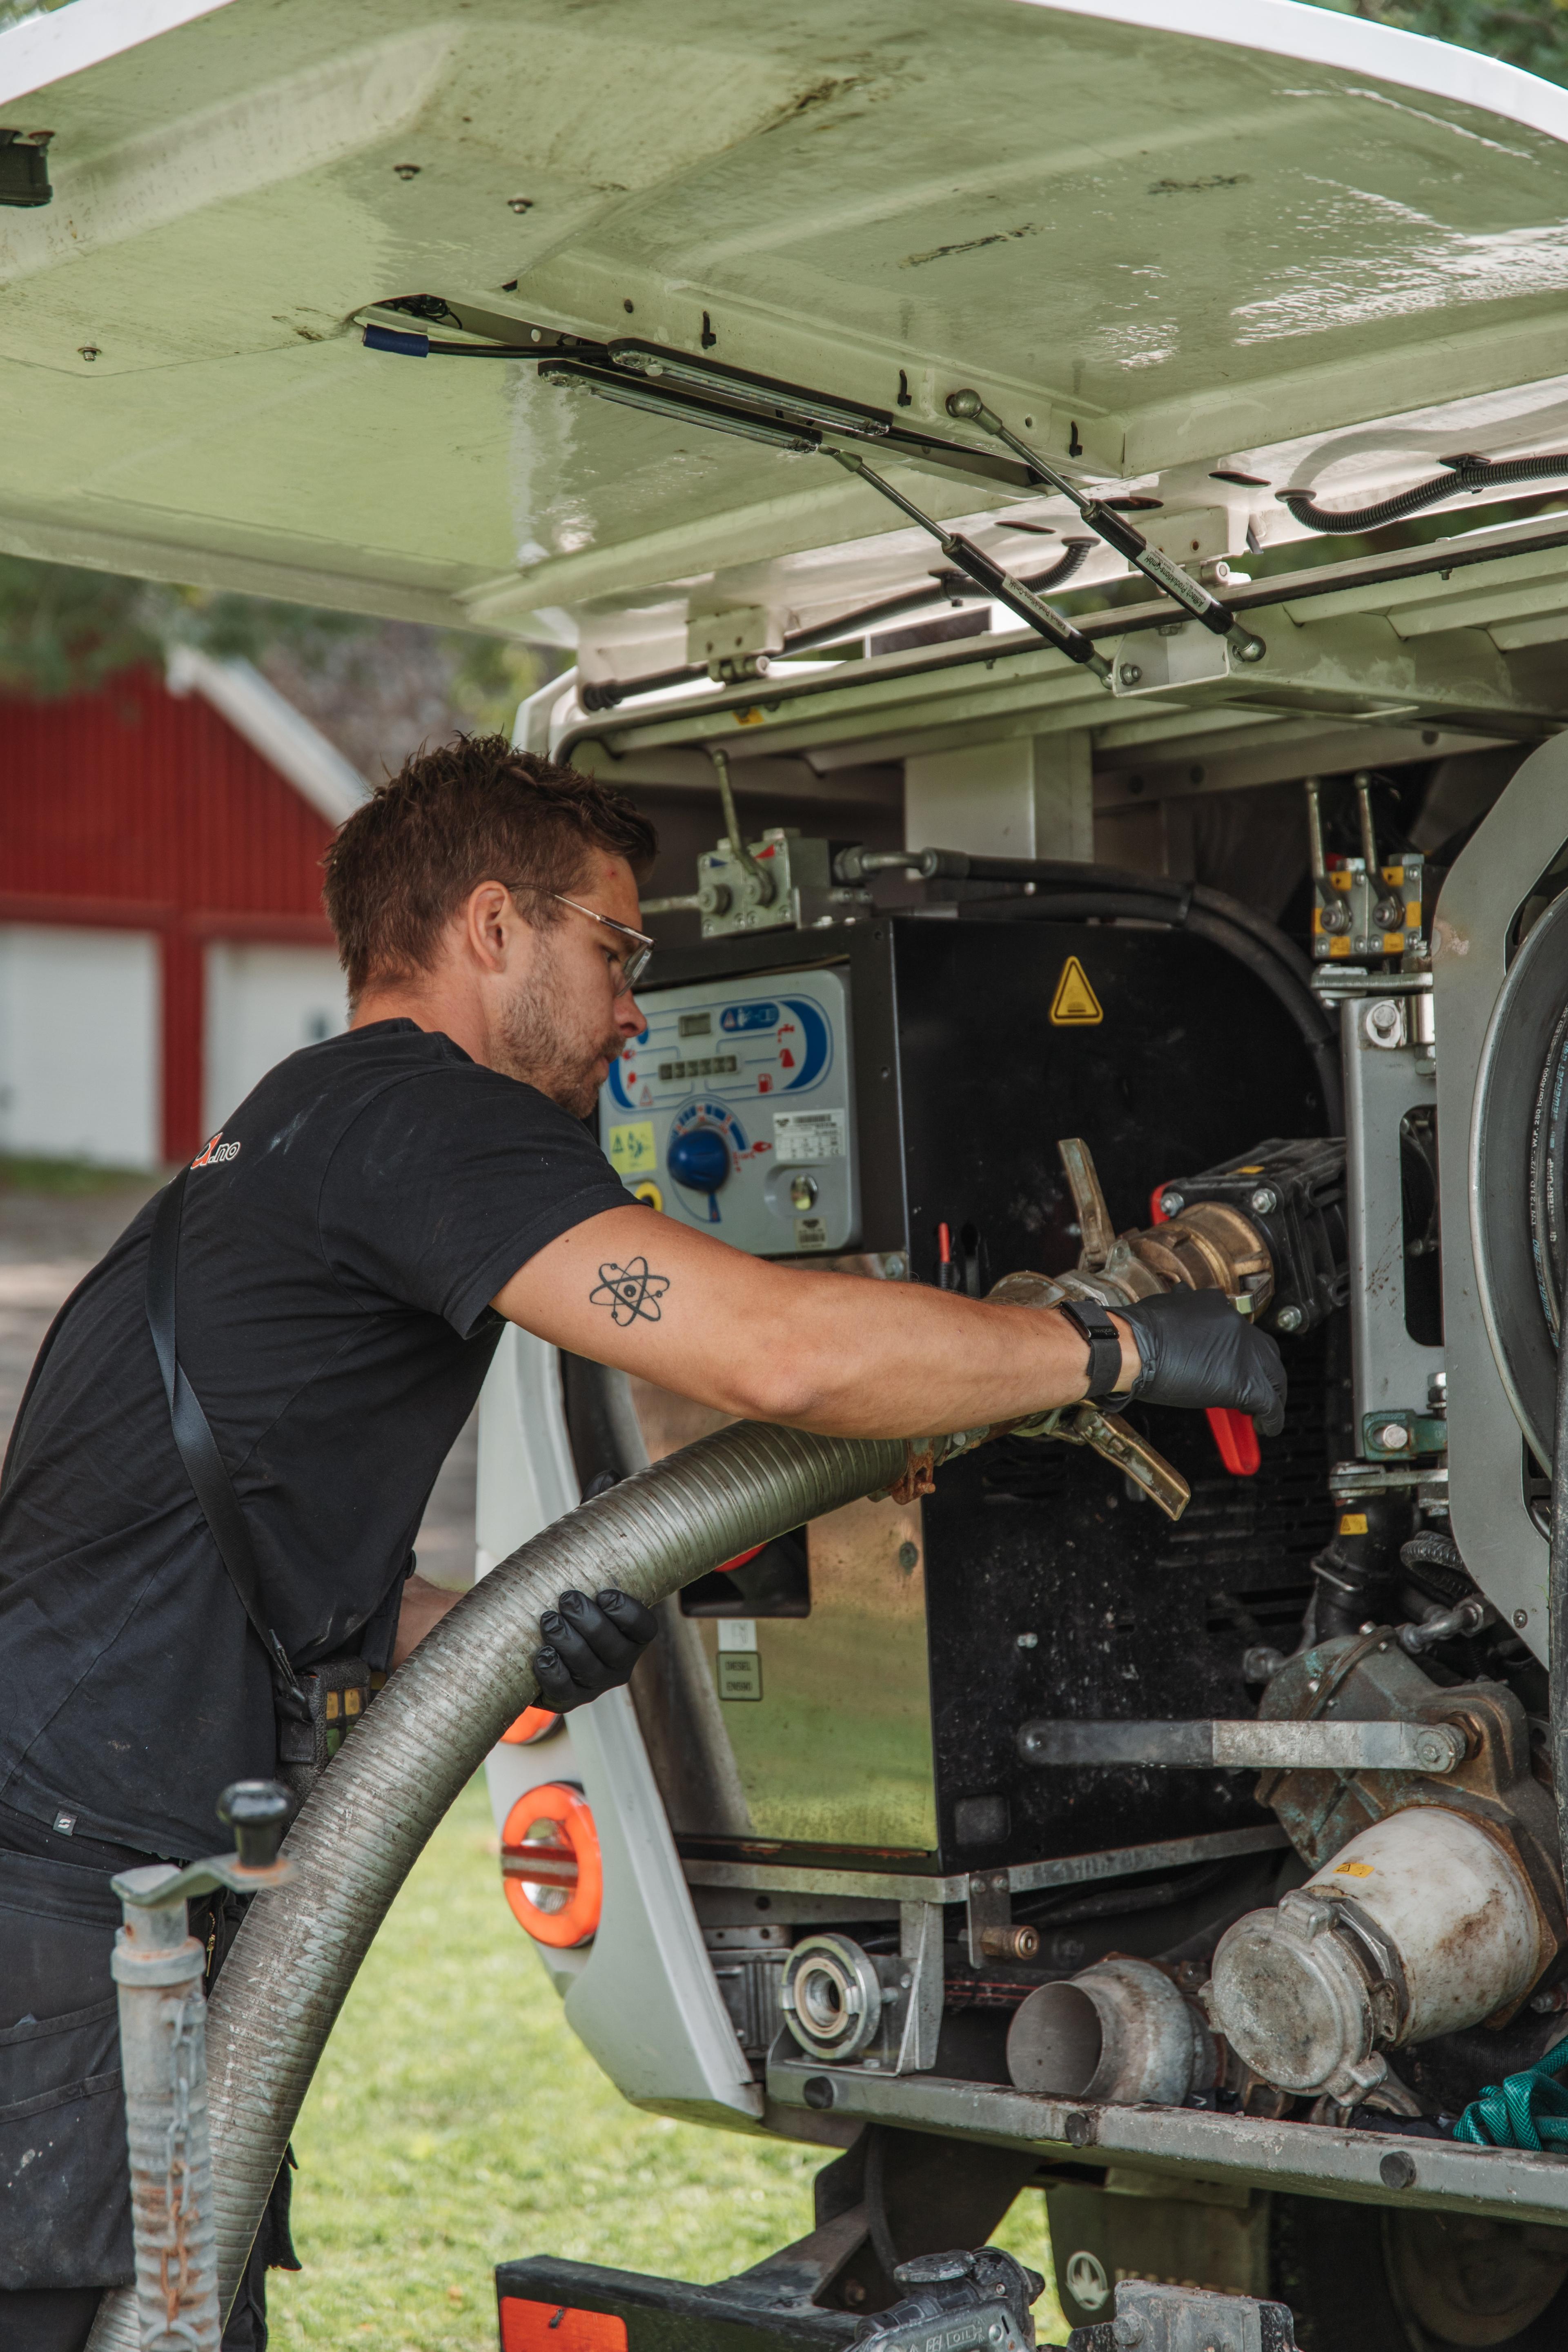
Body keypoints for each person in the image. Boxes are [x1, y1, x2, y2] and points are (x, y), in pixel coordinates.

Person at [0, 736, 1284, 2351]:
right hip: (59, 1913)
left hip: (74, 1880)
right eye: (614, 954)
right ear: (487, 928)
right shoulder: (429, 1120)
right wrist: (1113, 1348)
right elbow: (785, 1361)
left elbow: (229, 1543)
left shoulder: (301, 1130)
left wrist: (481, 1637)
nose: (632, 1015)